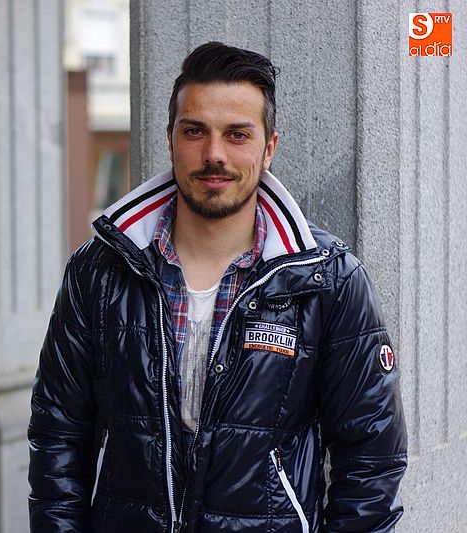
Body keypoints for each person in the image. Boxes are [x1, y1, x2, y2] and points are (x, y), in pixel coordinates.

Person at [28, 42, 407, 533]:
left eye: (237, 135)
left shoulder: (327, 280)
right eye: (195, 132)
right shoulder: (98, 271)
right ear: (170, 139)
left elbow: (371, 459)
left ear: (269, 147)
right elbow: (59, 435)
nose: (214, 155)